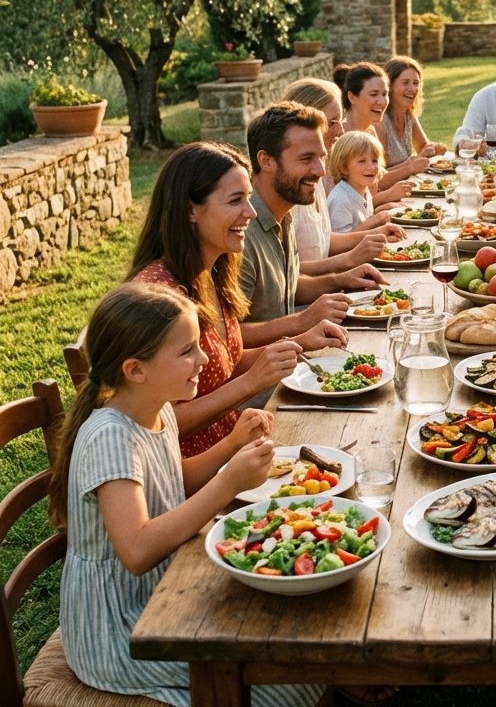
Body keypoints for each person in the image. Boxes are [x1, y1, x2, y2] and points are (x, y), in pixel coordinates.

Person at [47, 283, 324, 707]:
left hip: (163, 594)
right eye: (187, 352)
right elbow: (137, 550)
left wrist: (231, 444)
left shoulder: (155, 408)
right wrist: (228, 483)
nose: (204, 359)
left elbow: (172, 479)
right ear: (135, 370)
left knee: (295, 639)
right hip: (120, 631)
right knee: (292, 687)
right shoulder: (109, 438)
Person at [126, 141, 346, 456]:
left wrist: (298, 342)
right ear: (190, 209)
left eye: (248, 198)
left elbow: (222, 363)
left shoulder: (210, 272)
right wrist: (250, 383)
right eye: (235, 200)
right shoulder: (158, 298)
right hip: (197, 475)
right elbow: (159, 422)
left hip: (237, 446)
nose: (251, 212)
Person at [240, 101, 384, 349]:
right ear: (265, 161)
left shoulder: (285, 212)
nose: (319, 171)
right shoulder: (241, 231)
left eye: (321, 158)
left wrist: (342, 279)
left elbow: (287, 285)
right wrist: (301, 321)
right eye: (307, 158)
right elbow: (226, 339)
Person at [283, 77, 406, 271]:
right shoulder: (288, 187)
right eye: (331, 122)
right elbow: (290, 273)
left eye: (339, 120)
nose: (340, 129)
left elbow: (324, 239)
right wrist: (349, 261)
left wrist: (376, 233)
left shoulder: (317, 176)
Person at [336, 61, 415, 206]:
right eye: (374, 94)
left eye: (385, 94)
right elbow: (338, 204)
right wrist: (388, 196)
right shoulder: (339, 137)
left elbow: (379, 177)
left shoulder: (370, 130)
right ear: (352, 97)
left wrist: (410, 163)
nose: (382, 101)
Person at [377, 55, 447, 175]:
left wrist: (436, 147)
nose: (412, 89)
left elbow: (424, 146)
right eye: (405, 83)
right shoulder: (379, 123)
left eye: (416, 83)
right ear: (390, 86)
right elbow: (377, 175)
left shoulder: (408, 116)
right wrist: (414, 162)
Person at [326, 130, 400, 232]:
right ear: (344, 167)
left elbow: (363, 223)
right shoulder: (340, 200)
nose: (371, 167)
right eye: (362, 161)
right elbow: (343, 241)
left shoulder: (363, 191)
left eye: (374, 161)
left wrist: (383, 210)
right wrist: (376, 220)